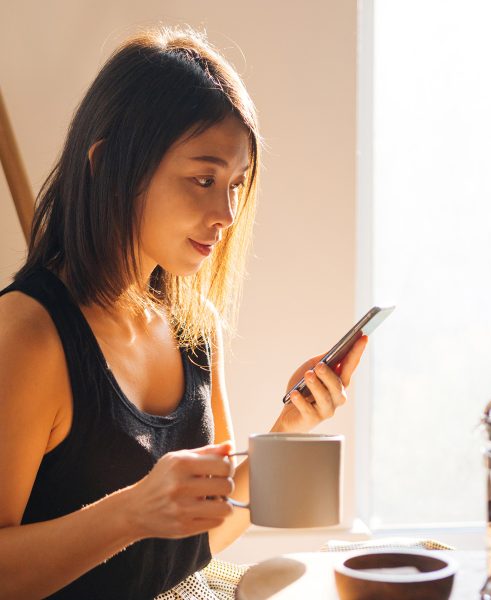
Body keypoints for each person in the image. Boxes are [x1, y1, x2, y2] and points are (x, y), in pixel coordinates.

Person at [0, 26, 367, 600]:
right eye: (203, 179)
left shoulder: (194, 327)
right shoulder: (28, 337)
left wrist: (291, 427)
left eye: (235, 185)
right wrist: (134, 512)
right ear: (108, 165)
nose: (225, 213)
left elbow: (206, 534)